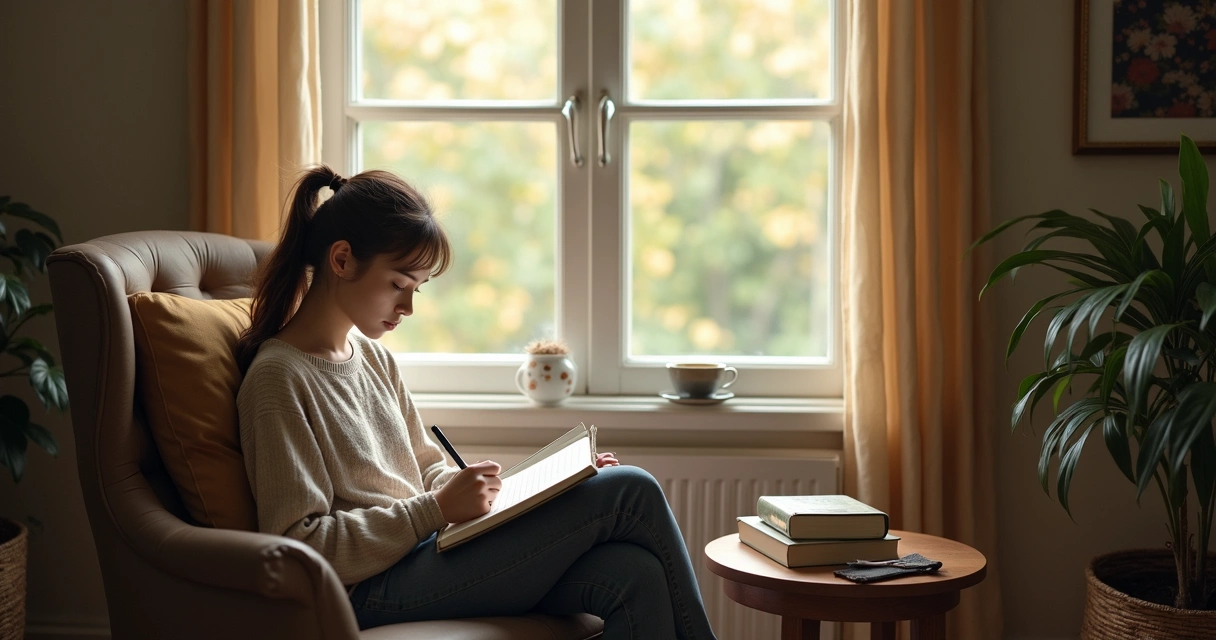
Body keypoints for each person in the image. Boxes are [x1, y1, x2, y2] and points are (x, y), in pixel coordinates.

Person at [234, 165, 718, 639]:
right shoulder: (279, 378)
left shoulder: (374, 358)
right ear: (341, 260)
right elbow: (299, 542)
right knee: (629, 488)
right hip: (368, 590)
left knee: (635, 573)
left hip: (427, 552)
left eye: (416, 289)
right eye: (398, 285)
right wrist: (435, 510)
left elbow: (424, 471)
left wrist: (511, 491)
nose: (407, 308)